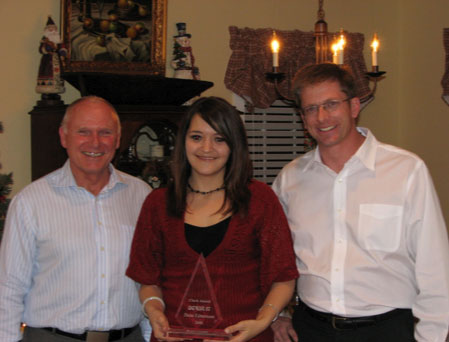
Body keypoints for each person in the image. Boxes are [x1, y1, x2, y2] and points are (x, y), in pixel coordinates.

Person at [271, 63, 449, 341]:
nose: (321, 117)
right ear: (303, 118)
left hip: (386, 330)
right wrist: (277, 314)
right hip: (310, 329)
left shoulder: (405, 171)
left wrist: (432, 336)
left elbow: (435, 266)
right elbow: (276, 257)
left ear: (354, 106)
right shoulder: (290, 179)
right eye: (310, 109)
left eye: (331, 104)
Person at [126, 96, 298, 342]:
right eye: (197, 137)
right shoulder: (157, 204)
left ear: (234, 145)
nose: (207, 148)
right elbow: (147, 280)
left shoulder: (260, 199)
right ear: (183, 142)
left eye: (219, 139)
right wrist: (153, 311)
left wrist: (262, 321)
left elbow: (283, 277)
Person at [0, 96, 152, 341]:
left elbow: (149, 277)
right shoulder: (30, 202)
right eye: (83, 132)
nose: (95, 142)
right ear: (64, 137)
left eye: (105, 132)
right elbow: (8, 289)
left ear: (117, 139)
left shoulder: (141, 195)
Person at [36, 16, 67, 95]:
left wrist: (62, 52)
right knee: (47, 72)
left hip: (57, 61)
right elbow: (41, 50)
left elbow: (62, 49)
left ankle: (57, 87)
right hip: (47, 61)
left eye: (53, 29)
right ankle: (46, 88)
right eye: (50, 30)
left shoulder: (58, 41)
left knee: (57, 74)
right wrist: (47, 47)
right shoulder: (44, 41)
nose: (52, 31)